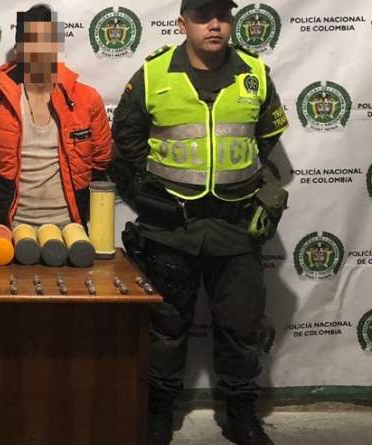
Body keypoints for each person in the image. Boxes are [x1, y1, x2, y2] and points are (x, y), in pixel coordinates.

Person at [110, 1, 289, 444]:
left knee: (242, 326)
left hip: (236, 225)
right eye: (203, 16)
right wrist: (151, 190)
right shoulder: (153, 75)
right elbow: (126, 138)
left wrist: (234, 177)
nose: (215, 25)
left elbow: (266, 137)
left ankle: (242, 415)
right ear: (182, 23)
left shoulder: (254, 74)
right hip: (171, 227)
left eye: (223, 16)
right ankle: (158, 415)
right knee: (165, 328)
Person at [0, 4, 112, 229]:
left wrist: (95, 229)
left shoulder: (87, 99)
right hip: (9, 232)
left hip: (70, 231)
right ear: (19, 49)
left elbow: (100, 168)